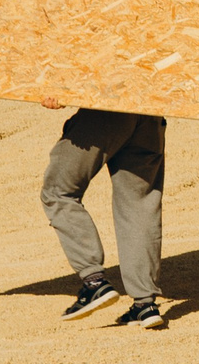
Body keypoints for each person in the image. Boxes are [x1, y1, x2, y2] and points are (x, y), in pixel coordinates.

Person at [40, 95, 168, 329]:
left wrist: (61, 88)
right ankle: (145, 304)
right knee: (138, 203)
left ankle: (94, 282)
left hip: (107, 109)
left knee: (57, 192)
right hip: (149, 111)